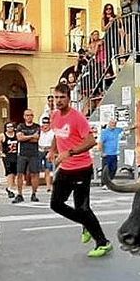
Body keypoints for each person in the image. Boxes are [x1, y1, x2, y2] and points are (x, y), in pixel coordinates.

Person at [48, 83, 112, 258]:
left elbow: (91, 141)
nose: (58, 101)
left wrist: (69, 152)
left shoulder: (77, 118)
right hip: (65, 168)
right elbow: (57, 134)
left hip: (81, 168)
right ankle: (87, 225)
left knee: (82, 208)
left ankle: (103, 242)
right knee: (56, 204)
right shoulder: (54, 115)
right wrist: (53, 150)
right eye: (56, 97)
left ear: (69, 98)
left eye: (62, 97)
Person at [14, 109, 41, 203]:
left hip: (34, 153)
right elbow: (19, 138)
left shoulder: (37, 126)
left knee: (34, 174)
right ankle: (19, 194)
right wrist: (31, 136)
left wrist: (25, 137)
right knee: (20, 174)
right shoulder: (20, 126)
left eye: (31, 115)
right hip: (22, 153)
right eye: (27, 115)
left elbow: (36, 139)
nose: (29, 117)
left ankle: (34, 193)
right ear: (24, 116)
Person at [0, 122, 18, 199]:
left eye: (11, 126)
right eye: (8, 127)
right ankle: (10, 187)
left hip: (16, 155)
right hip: (7, 156)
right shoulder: (3, 135)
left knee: (15, 172)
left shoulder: (16, 134)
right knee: (9, 172)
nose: (10, 128)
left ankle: (13, 186)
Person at [38, 116, 55, 192]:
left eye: (47, 123)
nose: (45, 125)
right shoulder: (39, 132)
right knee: (37, 169)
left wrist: (52, 151)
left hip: (48, 150)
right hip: (40, 150)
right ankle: (36, 186)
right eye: (44, 123)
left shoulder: (52, 132)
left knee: (47, 169)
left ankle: (48, 186)